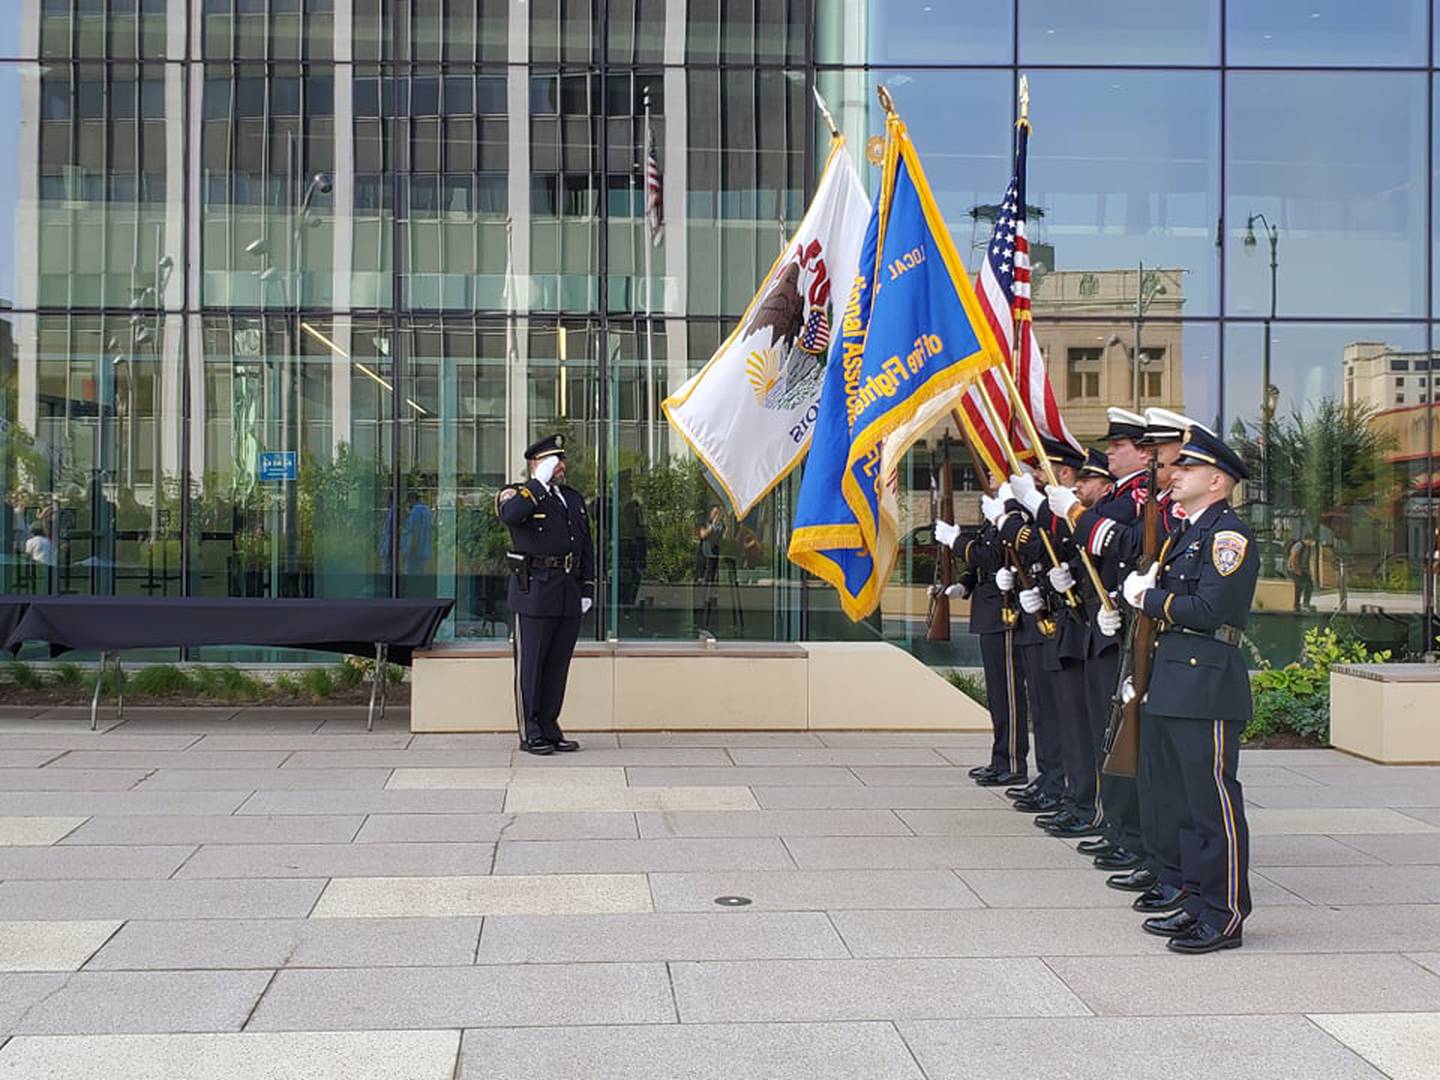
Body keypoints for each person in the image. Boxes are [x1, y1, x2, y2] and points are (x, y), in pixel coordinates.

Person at [1121, 425, 1258, 954]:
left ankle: (1225, 916)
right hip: (1175, 675)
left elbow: (1209, 610)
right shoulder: (1189, 533)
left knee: (1212, 805)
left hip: (1206, 682)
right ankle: (1197, 900)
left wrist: (1150, 598)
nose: (1174, 474)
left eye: (1188, 469)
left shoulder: (1229, 538)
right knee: (1181, 801)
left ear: (1217, 483)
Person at [496, 434, 595, 755]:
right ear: (536, 464)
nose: (561, 466)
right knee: (532, 665)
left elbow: (586, 545)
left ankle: (551, 727)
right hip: (535, 590)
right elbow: (511, 517)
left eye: (561, 460)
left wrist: (588, 586)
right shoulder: (517, 494)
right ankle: (531, 732)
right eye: (553, 461)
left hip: (567, 590)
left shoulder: (572, 498)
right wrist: (537, 483)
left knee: (556, 665)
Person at [1287, 535, 1314, 612]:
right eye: (1311, 541)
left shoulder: (1308, 547)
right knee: (1298, 587)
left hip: (1303, 570)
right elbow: (1293, 557)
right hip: (1294, 569)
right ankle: (1296, 605)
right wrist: (1296, 569)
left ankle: (1305, 604)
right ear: (1308, 539)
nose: (1312, 543)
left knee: (1309, 585)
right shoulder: (1299, 545)